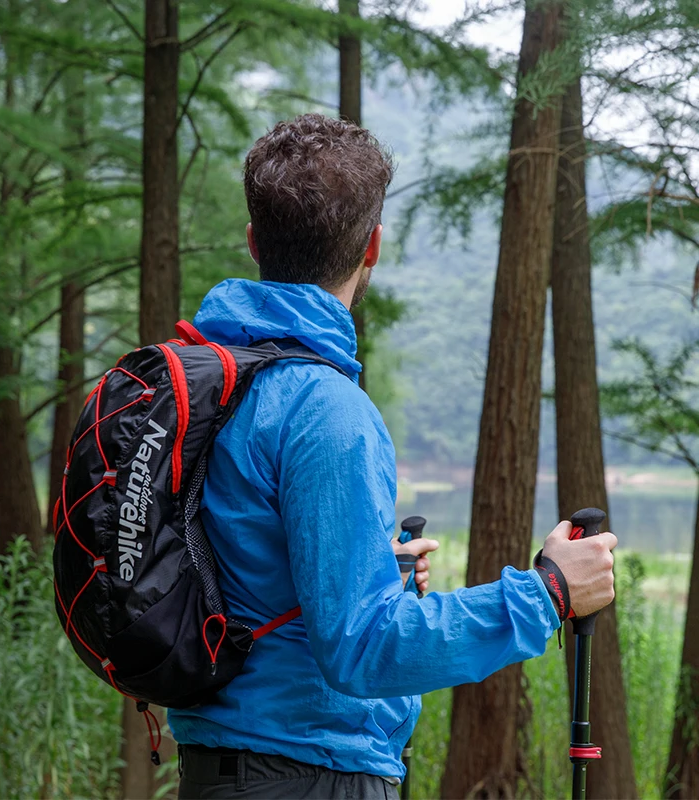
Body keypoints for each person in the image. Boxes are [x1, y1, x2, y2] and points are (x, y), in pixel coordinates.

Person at [168, 113, 617, 799]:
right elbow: (362, 648)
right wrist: (548, 593)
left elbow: (249, 571)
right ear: (372, 247)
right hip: (309, 773)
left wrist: (378, 572)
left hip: (220, 766)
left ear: (255, 241)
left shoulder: (219, 384)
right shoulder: (325, 409)